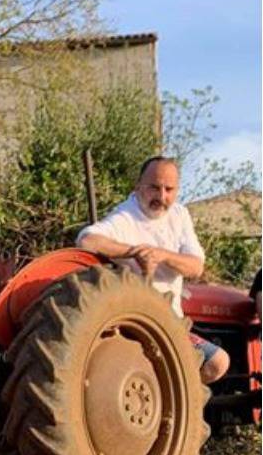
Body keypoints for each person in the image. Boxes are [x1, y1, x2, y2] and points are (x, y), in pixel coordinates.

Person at [76, 156, 231, 385]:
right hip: (135, 320)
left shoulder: (179, 215)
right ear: (138, 187)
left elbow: (196, 267)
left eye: (169, 189)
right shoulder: (125, 217)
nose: (161, 197)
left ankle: (176, 399)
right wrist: (134, 252)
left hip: (170, 318)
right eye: (154, 188)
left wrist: (163, 255)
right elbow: (86, 240)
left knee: (215, 363)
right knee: (216, 361)